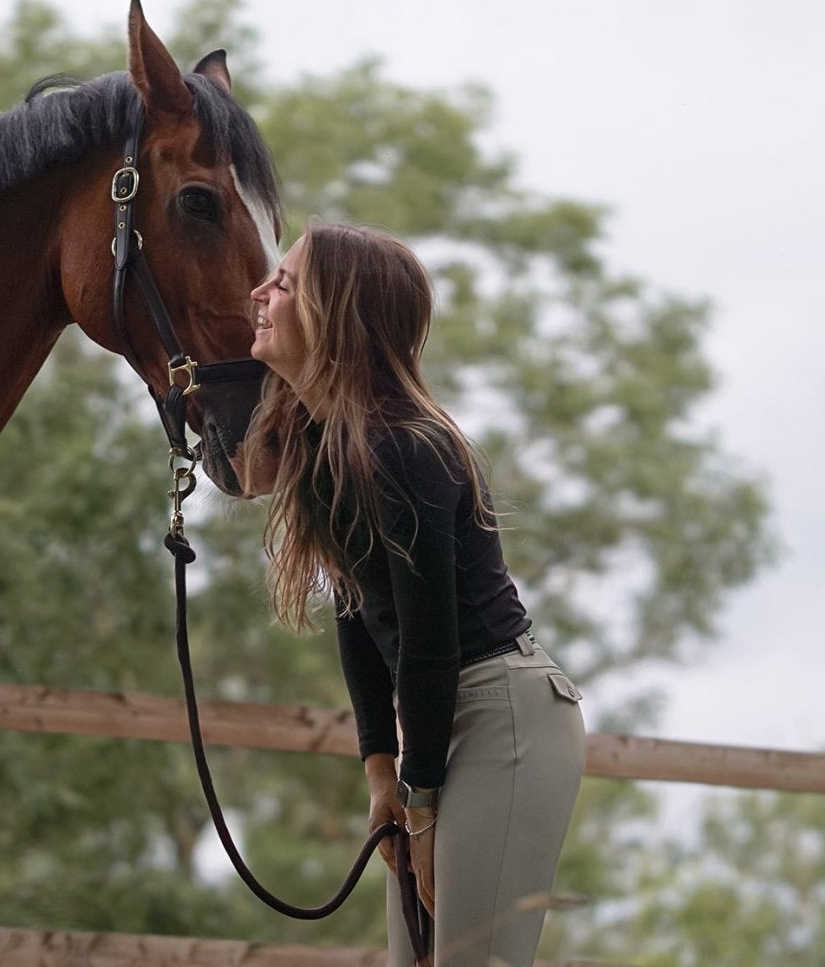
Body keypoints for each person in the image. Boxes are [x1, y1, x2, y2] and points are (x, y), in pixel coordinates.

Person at [239, 223, 587, 966]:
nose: (259, 294)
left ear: (338, 316)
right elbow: (360, 621)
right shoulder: (324, 448)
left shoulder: (405, 448)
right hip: (433, 726)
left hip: (502, 720)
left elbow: (430, 643)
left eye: (286, 284)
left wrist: (420, 800)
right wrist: (381, 776)